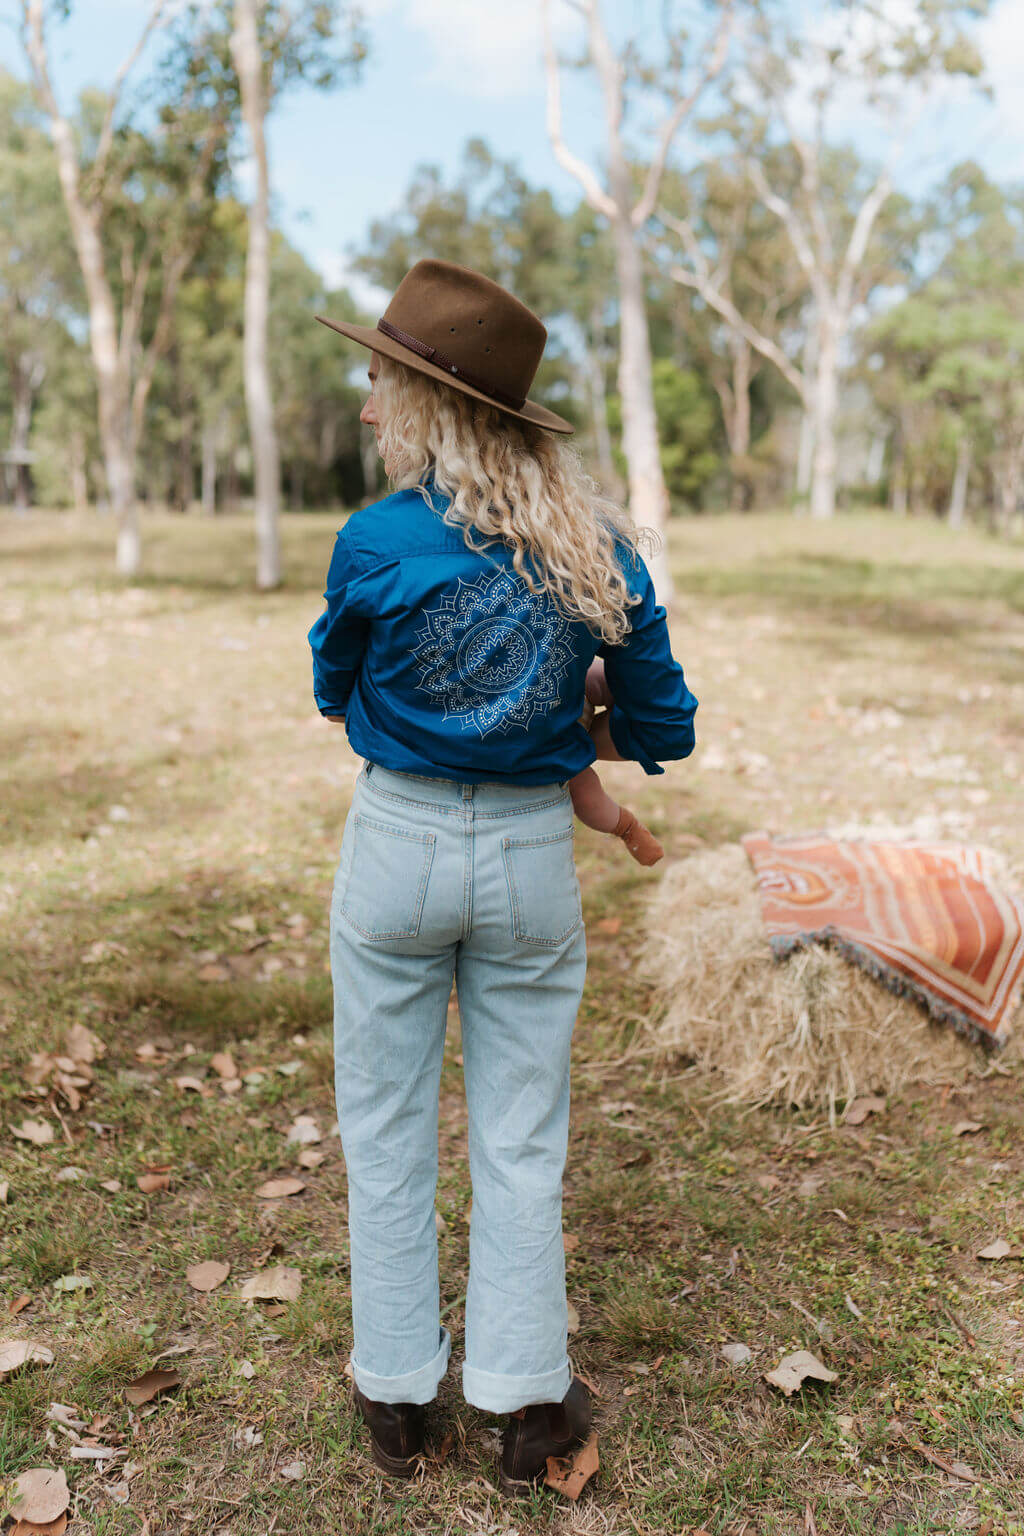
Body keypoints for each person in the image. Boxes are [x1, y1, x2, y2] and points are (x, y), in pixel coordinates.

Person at [307, 258, 697, 1492]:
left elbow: (335, 691)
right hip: (530, 856)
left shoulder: (375, 540)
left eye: (382, 384)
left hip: (397, 850)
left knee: (382, 1128)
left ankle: (397, 1396)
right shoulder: (599, 554)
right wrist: (564, 708)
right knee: (521, 1140)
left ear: (434, 407)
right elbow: (664, 727)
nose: (370, 408)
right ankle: (527, 1409)